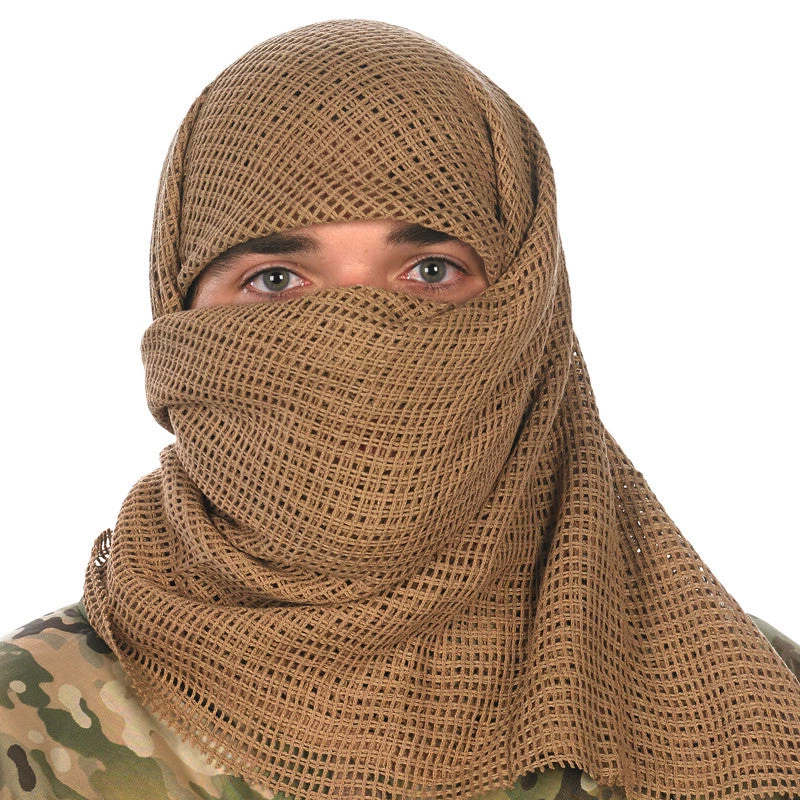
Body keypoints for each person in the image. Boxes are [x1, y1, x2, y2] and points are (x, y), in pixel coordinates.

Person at [1, 19, 799, 800]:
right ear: (177, 315)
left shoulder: (753, 710)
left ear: (535, 316)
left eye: (429, 271)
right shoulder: (27, 726)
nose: (360, 337)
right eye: (276, 280)